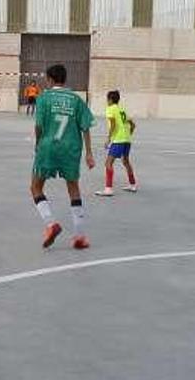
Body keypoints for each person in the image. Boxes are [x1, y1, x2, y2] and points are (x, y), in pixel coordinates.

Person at [31, 64, 96, 250]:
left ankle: (51, 224)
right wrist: (89, 153)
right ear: (65, 79)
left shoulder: (43, 98)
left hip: (48, 147)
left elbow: (39, 126)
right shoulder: (76, 99)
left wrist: (38, 144)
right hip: (71, 149)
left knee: (35, 187)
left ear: (50, 80)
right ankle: (79, 237)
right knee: (73, 188)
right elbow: (85, 126)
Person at [95, 90, 138, 196]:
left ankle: (108, 189)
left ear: (110, 99)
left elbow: (113, 125)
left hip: (118, 139)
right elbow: (133, 124)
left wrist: (108, 139)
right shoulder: (121, 109)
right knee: (126, 161)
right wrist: (128, 134)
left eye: (107, 99)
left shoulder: (110, 109)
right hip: (127, 140)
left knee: (108, 163)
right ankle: (132, 184)